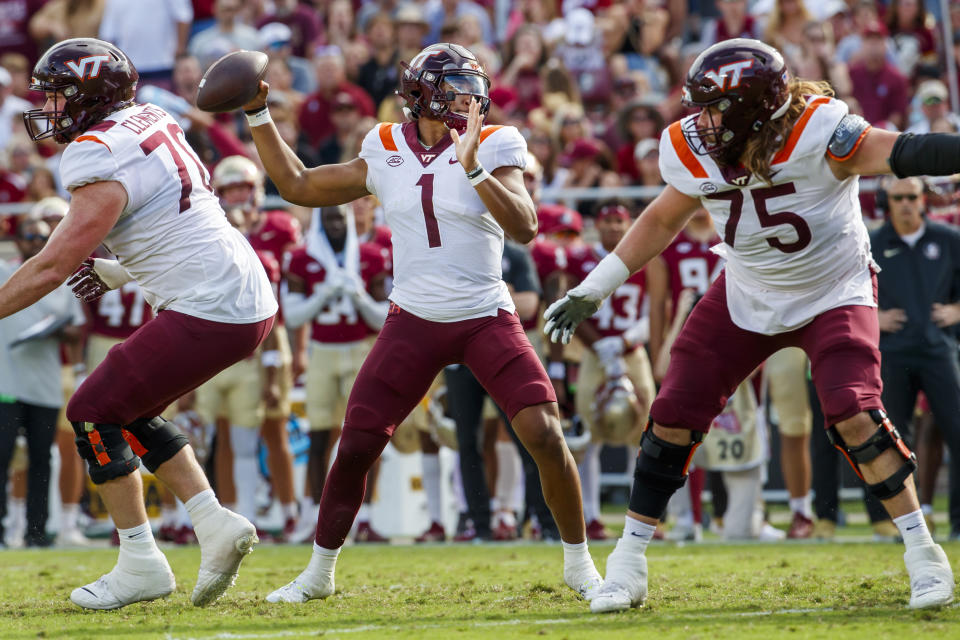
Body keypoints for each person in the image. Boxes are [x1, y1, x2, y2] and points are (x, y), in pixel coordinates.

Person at [544, 38, 955, 612]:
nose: (699, 121)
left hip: (831, 289)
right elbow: (663, 218)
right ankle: (629, 563)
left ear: (752, 109)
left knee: (854, 411)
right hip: (747, 290)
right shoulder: (692, 147)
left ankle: (923, 554)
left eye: (713, 108)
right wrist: (595, 286)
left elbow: (904, 152)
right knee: (672, 414)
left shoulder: (820, 132)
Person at [241, 41, 600, 604]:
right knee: (357, 443)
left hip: (485, 314)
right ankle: (318, 573)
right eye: (456, 87)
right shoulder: (383, 145)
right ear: (422, 95)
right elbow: (300, 187)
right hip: (413, 318)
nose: (471, 97)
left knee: (544, 433)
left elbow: (526, 226)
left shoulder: (498, 140)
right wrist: (258, 115)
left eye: (471, 85)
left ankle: (581, 566)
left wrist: (474, 164)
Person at [10, 38, 276, 609]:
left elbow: (52, 265)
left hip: (210, 302)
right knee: (128, 410)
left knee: (90, 411)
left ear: (88, 96)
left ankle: (140, 562)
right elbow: (168, 212)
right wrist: (120, 269)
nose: (48, 108)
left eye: (57, 95)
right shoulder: (150, 118)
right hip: (236, 290)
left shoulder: (96, 151)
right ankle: (214, 523)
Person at [871, 176, 960, 539]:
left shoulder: (949, 239)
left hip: (940, 351)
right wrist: (872, 317)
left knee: (957, 431)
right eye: (899, 198)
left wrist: (957, 311)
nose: (906, 203)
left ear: (924, 200)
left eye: (912, 196)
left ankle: (958, 521)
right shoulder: (872, 243)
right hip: (892, 353)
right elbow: (847, 288)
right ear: (887, 203)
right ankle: (902, 524)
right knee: (890, 440)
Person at [0, 219, 85, 547]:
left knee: (42, 460)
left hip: (45, 385)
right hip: (7, 383)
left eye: (42, 237)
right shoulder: (5, 272)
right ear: (17, 241)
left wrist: (58, 331)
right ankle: (5, 530)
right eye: (30, 236)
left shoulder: (60, 280)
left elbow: (76, 330)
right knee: (3, 456)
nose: (36, 242)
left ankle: (37, 532)